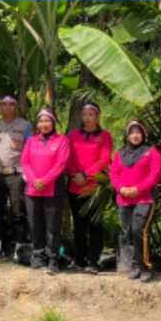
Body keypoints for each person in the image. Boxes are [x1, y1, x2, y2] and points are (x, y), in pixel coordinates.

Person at [110, 121, 161, 284]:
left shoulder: (152, 153)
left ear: (143, 134)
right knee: (129, 232)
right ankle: (135, 265)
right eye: (132, 132)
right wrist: (121, 188)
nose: (135, 135)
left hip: (144, 198)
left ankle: (145, 267)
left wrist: (137, 189)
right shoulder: (120, 154)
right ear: (127, 135)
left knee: (139, 230)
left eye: (138, 132)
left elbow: (155, 174)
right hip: (124, 199)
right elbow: (114, 173)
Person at [20, 107, 70, 273]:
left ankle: (53, 258)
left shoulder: (62, 140)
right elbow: (25, 162)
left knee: (52, 226)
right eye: (41, 121)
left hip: (53, 190)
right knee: (36, 225)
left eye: (47, 121)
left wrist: (45, 180)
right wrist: (34, 180)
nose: (44, 124)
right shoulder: (31, 141)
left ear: (53, 122)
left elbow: (61, 163)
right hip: (32, 190)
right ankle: (38, 256)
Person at [66, 102, 113, 273]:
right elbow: (68, 157)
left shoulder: (105, 136)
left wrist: (86, 175)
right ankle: (80, 258)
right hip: (75, 185)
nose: (87, 118)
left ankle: (94, 260)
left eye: (90, 115)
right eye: (84, 114)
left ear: (97, 116)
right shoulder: (74, 135)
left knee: (95, 224)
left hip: (94, 187)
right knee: (79, 224)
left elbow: (104, 159)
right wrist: (75, 174)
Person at [0, 94, 30, 260]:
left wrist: (28, 175)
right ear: (0, 108)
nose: (8, 107)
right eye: (4, 104)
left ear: (16, 107)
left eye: (11, 104)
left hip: (17, 175)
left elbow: (31, 150)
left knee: (19, 212)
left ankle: (19, 248)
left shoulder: (25, 126)